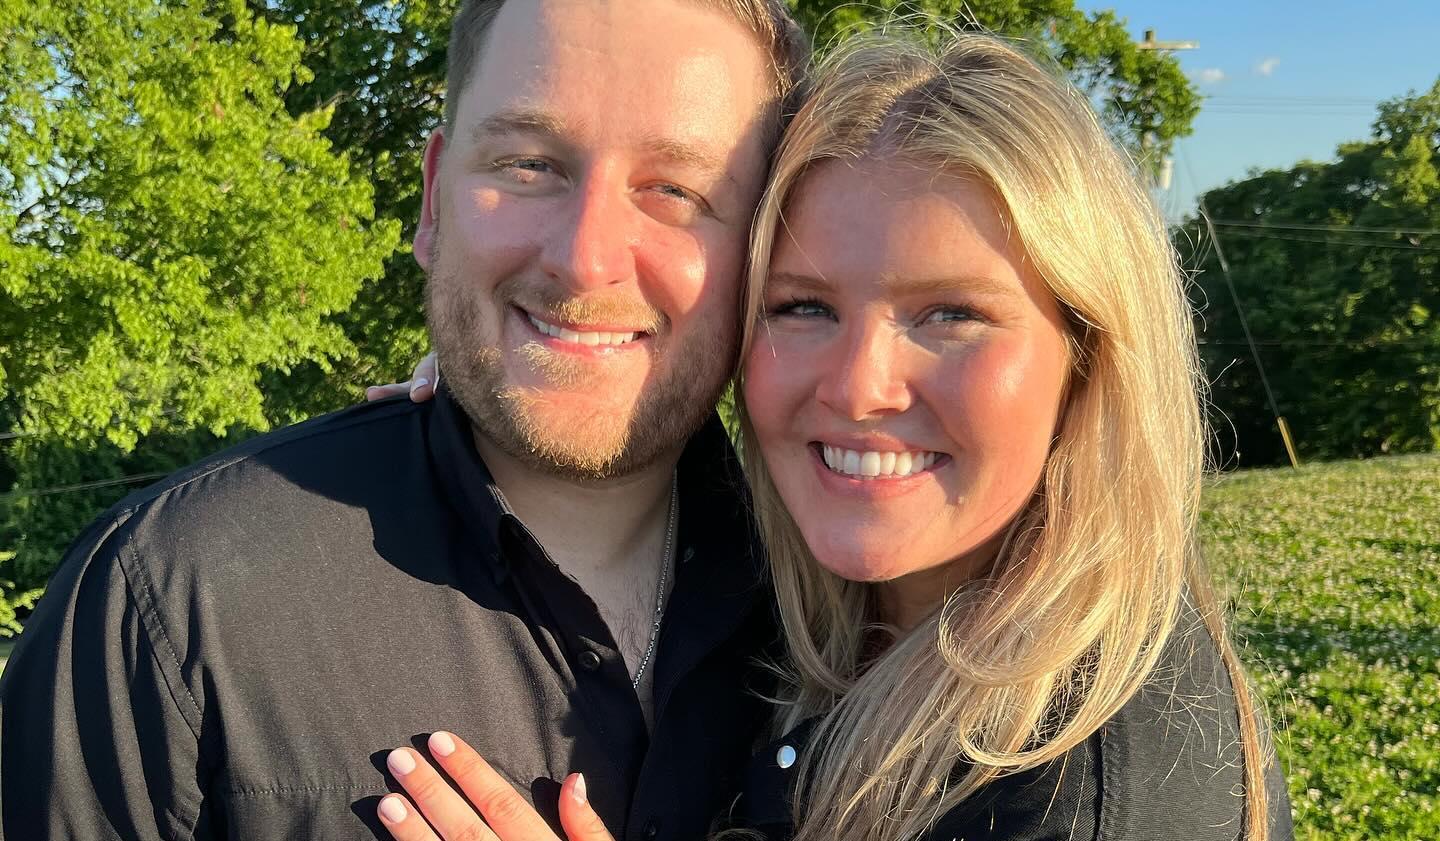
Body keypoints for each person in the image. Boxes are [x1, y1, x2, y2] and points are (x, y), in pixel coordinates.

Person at [365, 30, 1295, 841]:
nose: (857, 388)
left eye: (951, 315)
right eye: (803, 306)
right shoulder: (809, 594)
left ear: (1087, 356)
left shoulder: (1087, 796)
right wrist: (541, 368)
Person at [0, 1, 808, 838]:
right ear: (433, 200)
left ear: (769, 247)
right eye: (529, 164)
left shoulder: (850, 619)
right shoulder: (163, 606)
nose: (584, 258)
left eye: (676, 191)